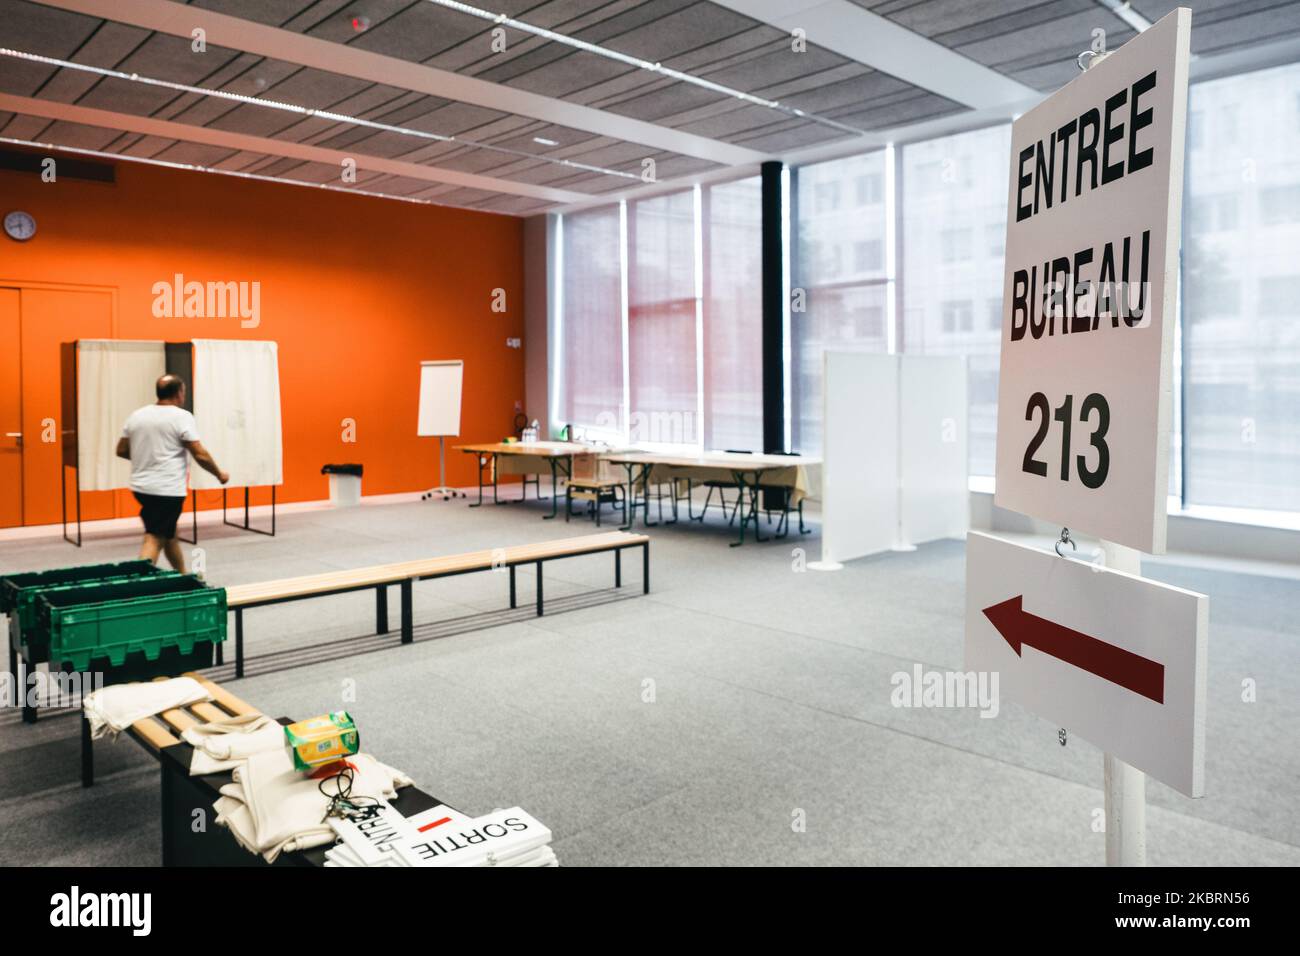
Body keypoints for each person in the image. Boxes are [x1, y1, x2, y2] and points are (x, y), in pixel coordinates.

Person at [115, 374, 228, 572]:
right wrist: (219, 474)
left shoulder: (137, 415)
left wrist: (148, 456)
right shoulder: (181, 417)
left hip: (141, 488)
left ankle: (184, 578)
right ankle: (137, 586)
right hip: (166, 491)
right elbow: (200, 454)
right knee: (154, 538)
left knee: (169, 535)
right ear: (179, 393)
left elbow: (122, 450)